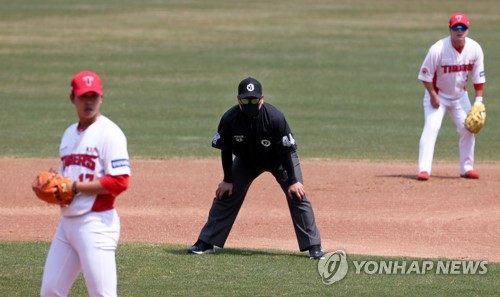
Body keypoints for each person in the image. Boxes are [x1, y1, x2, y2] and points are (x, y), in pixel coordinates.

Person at [187, 77, 324, 259]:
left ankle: (313, 246)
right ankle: (206, 242)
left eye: (254, 99)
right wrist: (227, 180)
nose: (250, 103)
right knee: (226, 194)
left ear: (262, 99)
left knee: (297, 193)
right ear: (238, 100)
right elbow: (226, 151)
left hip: (280, 160)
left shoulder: (275, 118)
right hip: (247, 161)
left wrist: (292, 181)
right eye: (245, 100)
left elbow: (286, 151)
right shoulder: (229, 119)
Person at [40, 70, 131, 297]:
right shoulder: (69, 133)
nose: (89, 101)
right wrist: (51, 187)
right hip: (67, 226)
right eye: (83, 96)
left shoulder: (110, 133)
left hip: (96, 224)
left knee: (102, 294)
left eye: (93, 96)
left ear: (101, 98)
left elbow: (120, 181)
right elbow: (65, 180)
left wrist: (75, 188)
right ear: (73, 98)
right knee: (51, 291)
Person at [417, 13, 486, 181]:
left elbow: (478, 78)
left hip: (460, 97)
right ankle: (424, 170)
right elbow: (424, 76)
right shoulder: (438, 49)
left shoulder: (475, 49)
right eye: (456, 27)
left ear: (467, 30)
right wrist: (432, 95)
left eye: (463, 28)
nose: (459, 31)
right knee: (431, 128)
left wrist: (478, 102)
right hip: (437, 95)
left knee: (468, 129)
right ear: (450, 29)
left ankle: (467, 168)